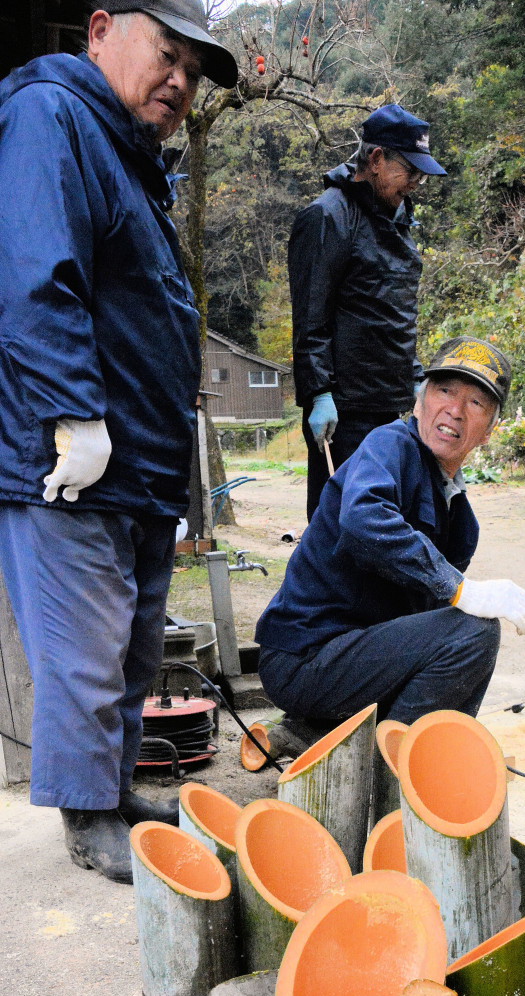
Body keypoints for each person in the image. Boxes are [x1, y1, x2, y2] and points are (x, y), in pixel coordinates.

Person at [0, 1, 237, 883]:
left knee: (134, 646)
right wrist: (72, 412)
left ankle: (110, 789)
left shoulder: (133, 160)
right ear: (100, 32)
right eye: (165, 54)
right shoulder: (49, 116)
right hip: (69, 458)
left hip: (135, 461)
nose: (177, 81)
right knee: (85, 645)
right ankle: (85, 816)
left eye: (191, 71)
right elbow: (36, 275)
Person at [256, 338, 525, 727]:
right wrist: (462, 588)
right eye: (445, 391)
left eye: (475, 403)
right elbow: (363, 520)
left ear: (488, 430)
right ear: (420, 401)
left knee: (465, 635)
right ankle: (390, 774)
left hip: (357, 660)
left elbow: (433, 641)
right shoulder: (390, 445)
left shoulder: (461, 524)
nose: (454, 410)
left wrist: (457, 597)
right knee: (473, 632)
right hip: (305, 657)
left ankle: (322, 736)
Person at [288, 104, 447, 522]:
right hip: (343, 412)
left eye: (420, 174)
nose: (415, 183)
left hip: (390, 405)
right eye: (409, 171)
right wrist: (319, 392)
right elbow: (310, 315)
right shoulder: (327, 215)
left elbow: (394, 311)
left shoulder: (397, 219)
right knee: (341, 524)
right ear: (376, 160)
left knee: (386, 523)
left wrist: (413, 378)